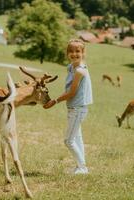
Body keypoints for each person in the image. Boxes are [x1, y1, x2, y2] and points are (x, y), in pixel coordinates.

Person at [44, 39, 93, 174]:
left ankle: (82, 168)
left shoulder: (80, 71)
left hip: (78, 108)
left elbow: (71, 92)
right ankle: (81, 166)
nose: (74, 54)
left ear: (83, 53)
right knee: (77, 137)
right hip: (73, 108)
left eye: (78, 51)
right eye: (71, 51)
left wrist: (54, 101)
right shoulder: (71, 67)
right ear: (67, 53)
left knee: (68, 141)